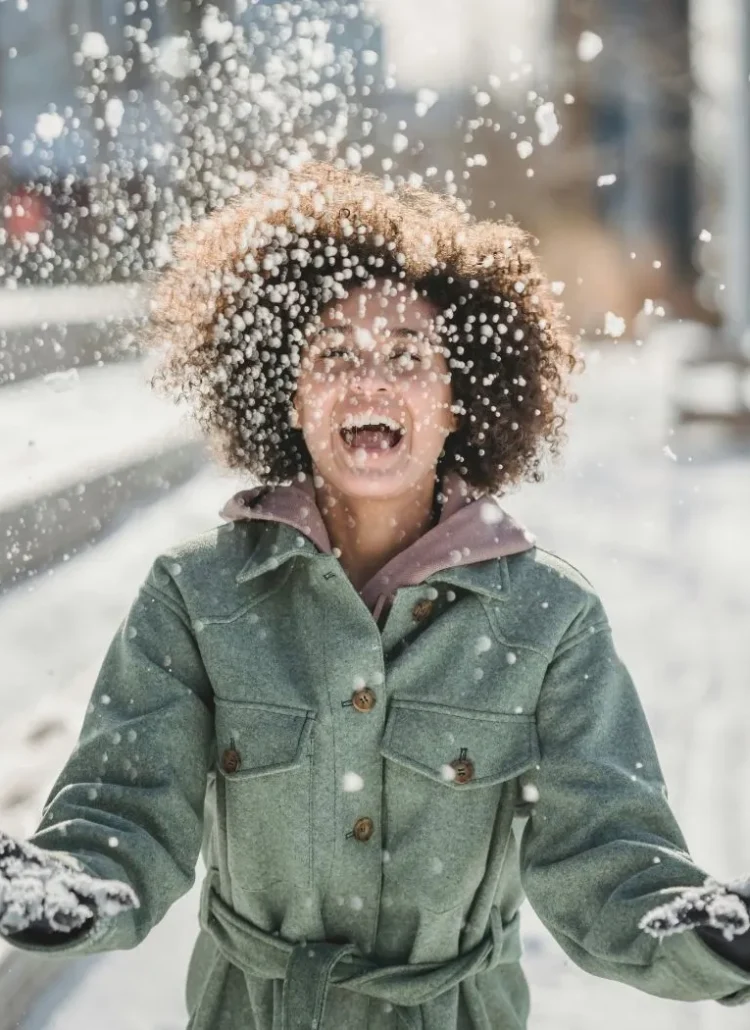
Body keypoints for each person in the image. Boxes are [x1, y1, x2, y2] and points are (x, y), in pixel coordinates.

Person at [1, 162, 749, 1030]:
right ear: (287, 391)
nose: (371, 381)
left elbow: (609, 857)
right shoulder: (195, 595)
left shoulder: (549, 619)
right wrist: (76, 882)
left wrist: (703, 936)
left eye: (407, 356)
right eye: (333, 354)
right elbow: (125, 806)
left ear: (459, 398)